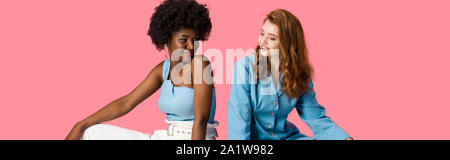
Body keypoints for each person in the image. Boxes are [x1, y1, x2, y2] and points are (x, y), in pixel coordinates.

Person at [65, 0, 218, 140]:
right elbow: (126, 103)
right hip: (165, 136)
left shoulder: (200, 64)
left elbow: (201, 121)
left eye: (195, 40)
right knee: (90, 133)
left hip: (194, 139)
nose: (191, 46)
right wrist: (81, 124)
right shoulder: (162, 70)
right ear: (166, 39)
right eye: (183, 40)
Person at [227, 9, 352, 140]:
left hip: (287, 137)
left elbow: (314, 116)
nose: (262, 42)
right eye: (262, 34)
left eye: (271, 38)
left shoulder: (299, 73)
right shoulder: (245, 67)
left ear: (288, 44)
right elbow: (238, 119)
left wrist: (344, 138)